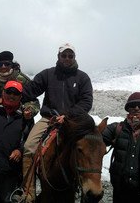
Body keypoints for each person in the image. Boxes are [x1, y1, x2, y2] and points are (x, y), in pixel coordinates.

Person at [21, 43, 93, 202]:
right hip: (49, 119)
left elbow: (86, 102)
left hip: (73, 122)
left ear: (74, 57)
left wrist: (68, 115)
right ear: (58, 56)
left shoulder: (82, 77)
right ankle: (28, 192)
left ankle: (88, 190)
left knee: (89, 151)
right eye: (64, 55)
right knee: (29, 148)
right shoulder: (48, 74)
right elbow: (29, 91)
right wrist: (7, 92)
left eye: (70, 55)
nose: (67, 58)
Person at [0, 51, 39, 120]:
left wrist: (30, 110)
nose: (3, 66)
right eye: (0, 64)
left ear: (11, 65)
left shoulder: (23, 80)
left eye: (7, 64)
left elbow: (33, 100)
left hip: (17, 114)